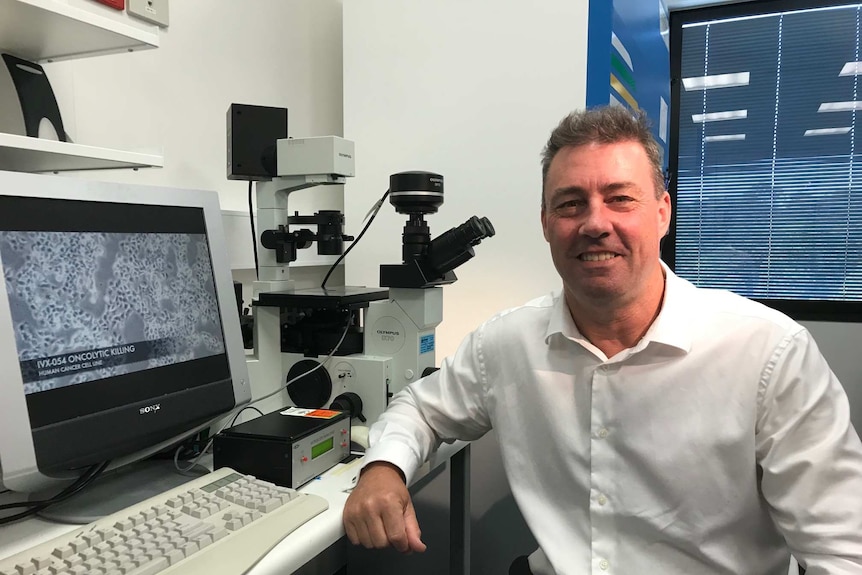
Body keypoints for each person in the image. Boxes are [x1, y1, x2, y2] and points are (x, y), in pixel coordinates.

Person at [342, 105, 862, 574]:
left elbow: (842, 552)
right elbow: (421, 408)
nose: (595, 223)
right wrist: (383, 468)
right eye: (570, 204)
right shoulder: (508, 344)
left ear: (662, 212)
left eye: (620, 199)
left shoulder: (769, 354)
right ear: (546, 224)